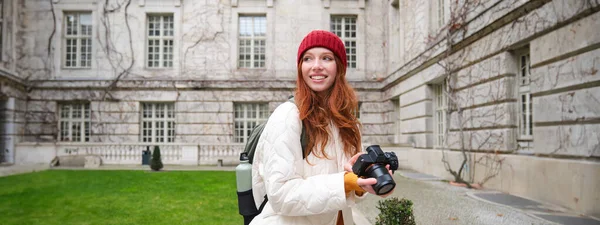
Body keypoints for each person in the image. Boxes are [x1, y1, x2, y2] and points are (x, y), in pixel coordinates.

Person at [249, 30, 395, 225]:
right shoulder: (288, 116)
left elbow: (346, 190)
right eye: (308, 59)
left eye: (326, 58)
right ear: (300, 67)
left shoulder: (346, 122)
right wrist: (344, 183)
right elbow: (280, 195)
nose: (316, 66)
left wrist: (364, 184)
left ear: (340, 67)